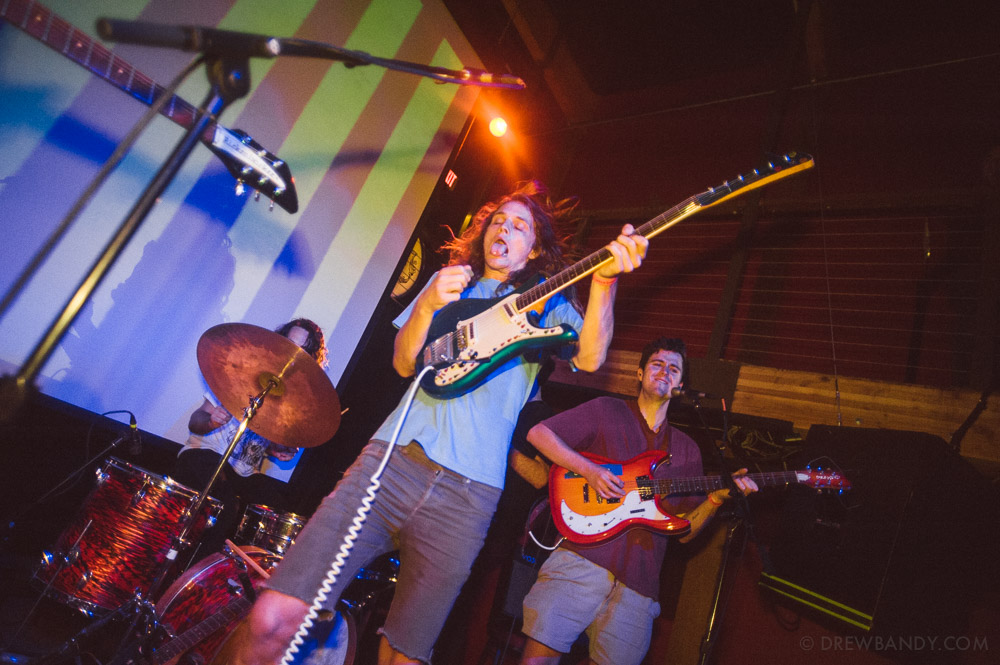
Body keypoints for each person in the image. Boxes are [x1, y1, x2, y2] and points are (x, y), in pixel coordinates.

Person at [220, 180, 648, 665]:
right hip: (390, 466)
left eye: (519, 226)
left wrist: (605, 283)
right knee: (273, 619)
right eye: (498, 221)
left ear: (534, 249)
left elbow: (590, 358)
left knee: (404, 656)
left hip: (468, 499)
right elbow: (404, 362)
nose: (504, 229)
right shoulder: (450, 284)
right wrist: (427, 304)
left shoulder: (546, 303)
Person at [518, 337, 759, 665]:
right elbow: (538, 434)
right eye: (657, 364)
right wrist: (589, 471)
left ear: (680, 385)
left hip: (639, 589)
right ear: (640, 373)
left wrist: (715, 499)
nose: (665, 371)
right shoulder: (607, 410)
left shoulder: (687, 450)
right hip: (581, 560)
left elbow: (685, 532)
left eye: (674, 369)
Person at [173, 318, 328, 560]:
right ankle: (198, 573)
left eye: (302, 350)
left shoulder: (294, 400)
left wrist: (279, 448)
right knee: (226, 505)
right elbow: (195, 421)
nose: (292, 353)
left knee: (278, 517)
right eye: (288, 343)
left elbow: (271, 442)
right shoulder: (242, 373)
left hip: (244, 473)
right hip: (203, 455)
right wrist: (211, 421)